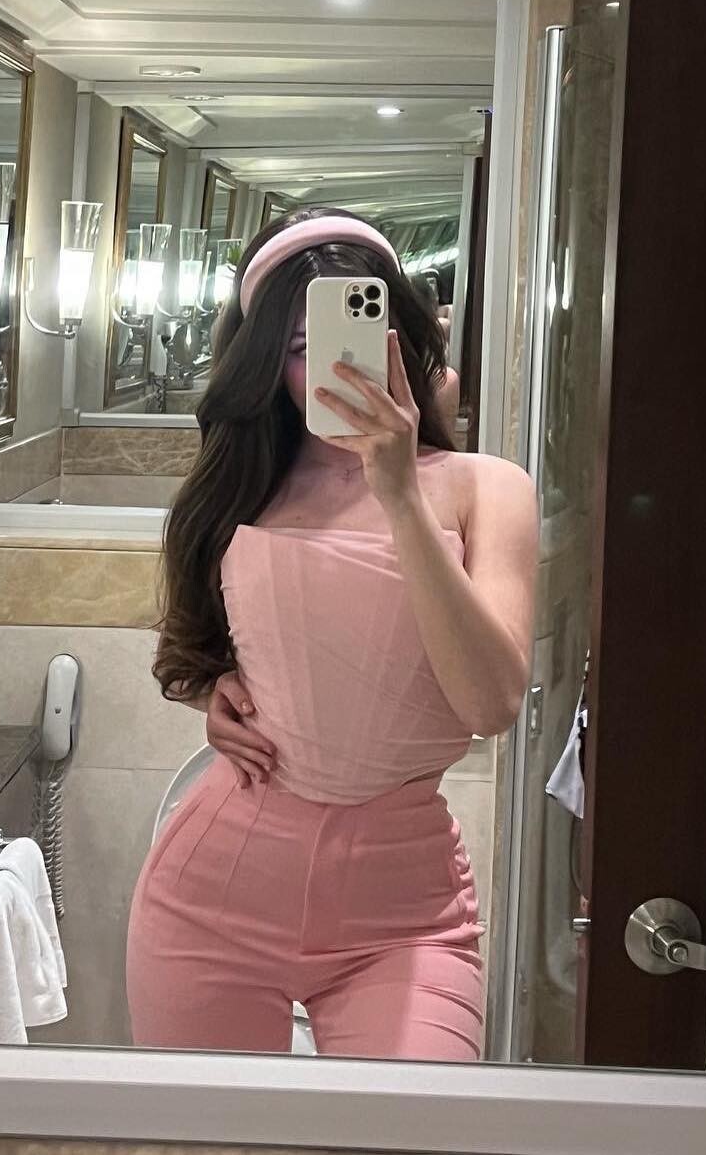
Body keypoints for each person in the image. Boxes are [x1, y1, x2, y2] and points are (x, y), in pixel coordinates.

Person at [126, 207, 536, 1061]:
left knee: (414, 1120)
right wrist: (219, 692)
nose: (330, 368)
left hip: (406, 918)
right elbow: (198, 648)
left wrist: (400, 492)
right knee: (200, 1130)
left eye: (351, 335)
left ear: (400, 339)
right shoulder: (240, 487)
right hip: (213, 897)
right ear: (265, 364)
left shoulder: (486, 487)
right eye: (299, 349)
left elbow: (492, 701)